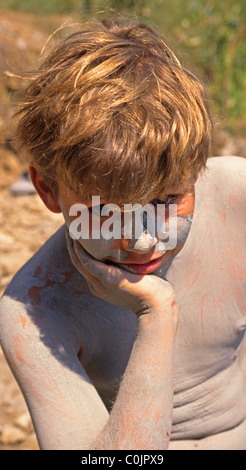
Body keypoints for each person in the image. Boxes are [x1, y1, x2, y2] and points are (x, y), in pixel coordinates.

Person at [0, 18, 246, 451]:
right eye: (104, 212)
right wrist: (157, 315)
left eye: (167, 201)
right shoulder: (35, 312)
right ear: (47, 189)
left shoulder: (237, 202)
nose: (143, 241)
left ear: (196, 172)